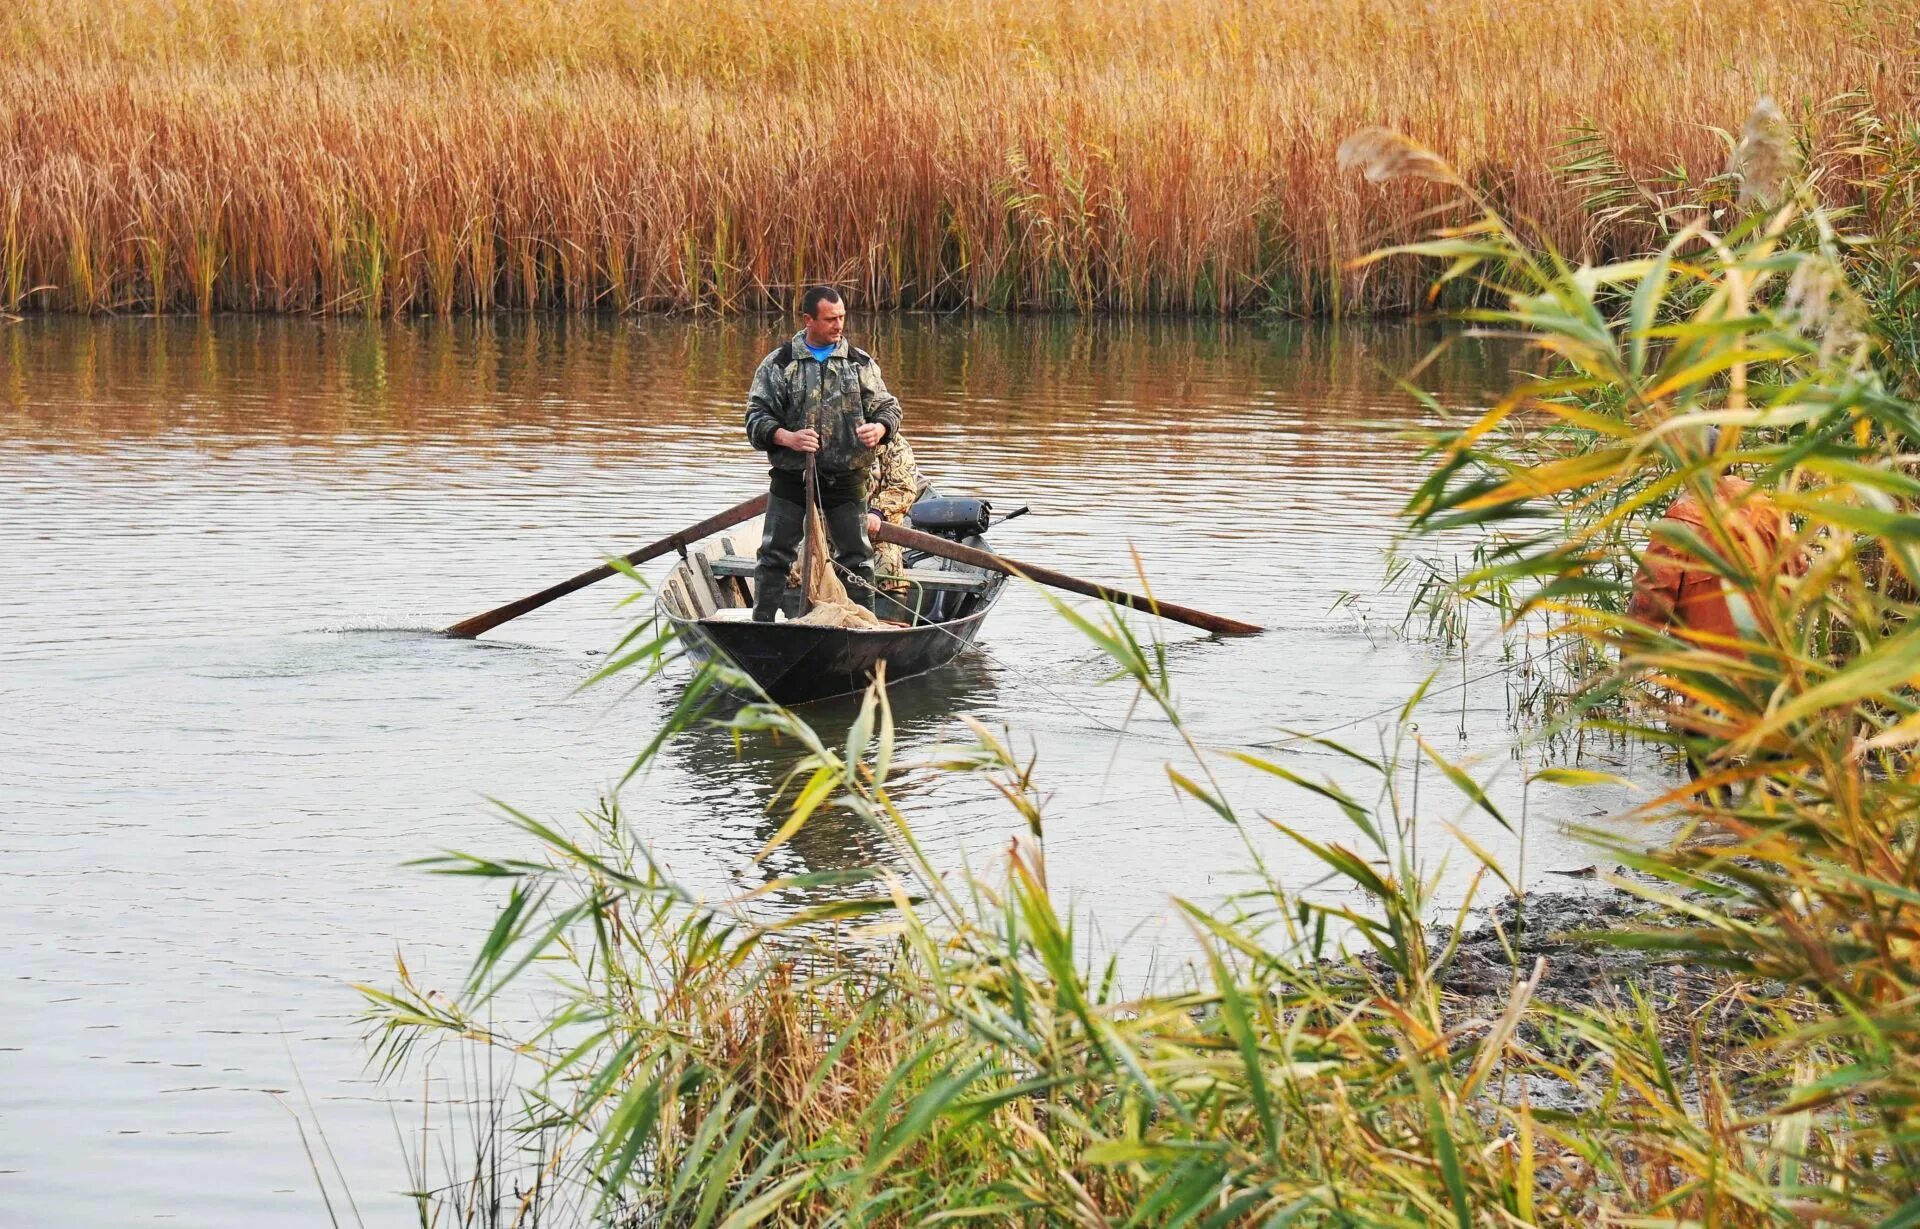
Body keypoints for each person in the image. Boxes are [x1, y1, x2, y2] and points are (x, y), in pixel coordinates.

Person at [743, 286, 902, 621]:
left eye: (842, 317)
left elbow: (889, 409)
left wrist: (880, 429)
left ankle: (863, 627)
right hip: (792, 477)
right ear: (808, 320)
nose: (838, 325)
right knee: (774, 553)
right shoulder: (780, 364)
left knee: (857, 557)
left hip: (846, 478)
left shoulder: (859, 363)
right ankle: (762, 626)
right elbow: (755, 420)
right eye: (830, 319)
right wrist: (787, 437)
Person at [865, 432, 935, 590]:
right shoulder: (830, 439)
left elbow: (903, 489)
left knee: (887, 569)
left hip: (881, 534)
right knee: (802, 571)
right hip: (829, 531)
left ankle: (889, 612)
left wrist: (877, 513)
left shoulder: (896, 445)